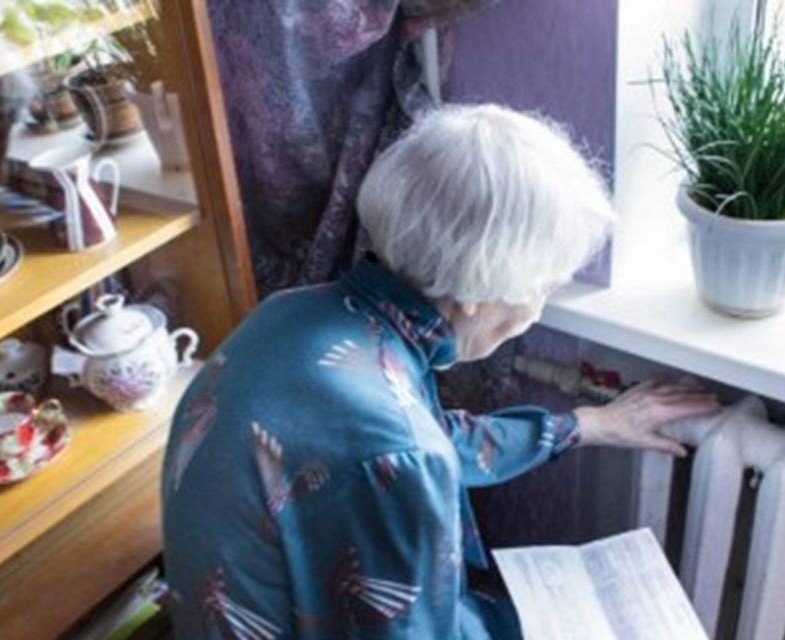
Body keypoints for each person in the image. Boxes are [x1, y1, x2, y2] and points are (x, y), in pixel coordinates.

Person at [160, 103, 721, 639]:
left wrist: (587, 425)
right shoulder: (397, 448)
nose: (537, 310)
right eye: (545, 285)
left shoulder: (299, 314)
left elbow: (416, 441)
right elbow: (402, 460)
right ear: (478, 293)